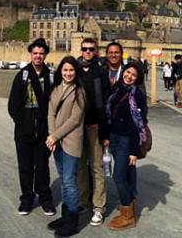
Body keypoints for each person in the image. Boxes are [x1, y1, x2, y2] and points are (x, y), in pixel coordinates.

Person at [8, 38, 55, 216]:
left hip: (43, 127)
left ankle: (45, 198)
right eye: (35, 53)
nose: (38, 56)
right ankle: (27, 199)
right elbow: (13, 105)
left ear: (45, 55)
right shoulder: (22, 75)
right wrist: (23, 124)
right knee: (25, 166)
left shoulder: (50, 75)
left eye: (41, 53)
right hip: (25, 128)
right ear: (31, 54)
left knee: (42, 165)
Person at [46, 56, 86, 238]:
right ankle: (65, 216)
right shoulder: (56, 89)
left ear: (75, 72)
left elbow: (74, 119)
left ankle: (73, 222)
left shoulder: (79, 91)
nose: (68, 73)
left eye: (71, 70)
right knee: (63, 180)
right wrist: (52, 136)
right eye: (65, 70)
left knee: (70, 182)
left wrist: (55, 136)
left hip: (71, 141)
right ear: (60, 71)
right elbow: (51, 113)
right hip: (57, 142)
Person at [106, 62, 148, 230]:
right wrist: (107, 136)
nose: (129, 76)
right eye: (127, 72)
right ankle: (131, 202)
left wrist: (133, 151)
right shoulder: (118, 89)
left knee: (118, 176)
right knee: (128, 172)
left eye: (133, 75)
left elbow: (135, 125)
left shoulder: (137, 95)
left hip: (125, 140)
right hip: (114, 137)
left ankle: (127, 215)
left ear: (137, 79)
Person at [77, 38, 110, 227]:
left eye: (91, 49)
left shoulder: (101, 73)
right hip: (77, 126)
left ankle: (99, 207)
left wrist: (102, 124)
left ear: (96, 51)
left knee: (97, 167)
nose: (88, 52)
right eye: (85, 49)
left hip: (94, 126)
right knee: (80, 166)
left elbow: (106, 101)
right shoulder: (75, 70)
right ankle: (82, 201)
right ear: (81, 50)